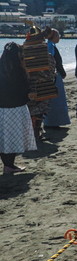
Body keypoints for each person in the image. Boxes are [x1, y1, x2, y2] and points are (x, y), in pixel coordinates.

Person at [0, 42, 37, 173]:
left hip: (2, 108)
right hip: (16, 108)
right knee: (13, 137)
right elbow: (24, 89)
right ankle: (9, 165)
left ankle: (7, 164)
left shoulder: (2, 68)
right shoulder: (17, 69)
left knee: (3, 138)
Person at [43, 29, 71, 128]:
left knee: (55, 98)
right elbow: (52, 62)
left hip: (54, 75)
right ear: (54, 37)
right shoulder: (50, 46)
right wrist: (61, 72)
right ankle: (52, 122)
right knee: (55, 98)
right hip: (54, 76)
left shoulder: (51, 45)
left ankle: (52, 122)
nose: (59, 38)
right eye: (58, 36)